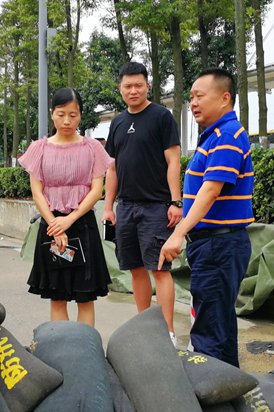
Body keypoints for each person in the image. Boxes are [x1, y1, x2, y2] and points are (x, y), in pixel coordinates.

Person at [159, 68, 253, 367]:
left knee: (208, 332)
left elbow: (210, 192)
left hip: (219, 247)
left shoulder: (227, 136)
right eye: (191, 98)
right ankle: (229, 392)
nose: (193, 103)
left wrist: (177, 234)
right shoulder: (215, 136)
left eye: (200, 96)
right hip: (214, 244)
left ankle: (209, 402)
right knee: (220, 326)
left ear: (225, 98)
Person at [102, 62, 182, 346]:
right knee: (135, 269)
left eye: (138, 85)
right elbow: (111, 168)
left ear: (147, 85)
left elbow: (173, 160)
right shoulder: (118, 122)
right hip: (125, 208)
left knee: (159, 270)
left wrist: (175, 201)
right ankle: (144, 329)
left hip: (156, 206)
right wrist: (108, 206)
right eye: (127, 86)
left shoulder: (162, 116)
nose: (133, 90)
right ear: (120, 89)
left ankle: (168, 333)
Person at [19, 88, 113, 326]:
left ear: (80, 115)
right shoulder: (39, 149)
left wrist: (69, 220)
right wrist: (55, 224)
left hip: (82, 225)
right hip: (52, 227)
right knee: (57, 296)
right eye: (61, 114)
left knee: (85, 296)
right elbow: (37, 192)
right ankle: (61, 350)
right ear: (52, 114)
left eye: (73, 114)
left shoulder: (93, 148)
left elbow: (96, 190)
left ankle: (85, 350)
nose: (67, 120)